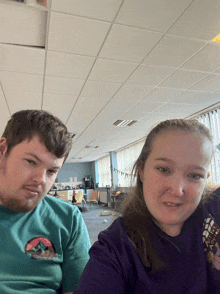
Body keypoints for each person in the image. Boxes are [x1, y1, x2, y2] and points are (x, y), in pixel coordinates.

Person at [74, 118, 220, 294]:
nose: (177, 190)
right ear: (142, 170)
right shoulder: (116, 248)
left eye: (195, 176)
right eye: (164, 169)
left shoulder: (214, 210)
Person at [0, 110, 91, 294]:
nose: (41, 180)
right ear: (2, 150)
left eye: (51, 171)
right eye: (31, 162)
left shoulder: (67, 218)